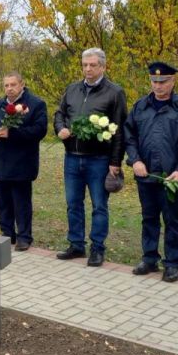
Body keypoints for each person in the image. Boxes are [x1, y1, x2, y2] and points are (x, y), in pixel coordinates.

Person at [124, 62, 178, 283]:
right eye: (154, 81)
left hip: (170, 177)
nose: (158, 86)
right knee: (149, 218)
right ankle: (149, 259)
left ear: (173, 81)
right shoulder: (140, 106)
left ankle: (172, 263)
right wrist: (135, 160)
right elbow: (129, 137)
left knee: (172, 220)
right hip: (145, 175)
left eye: (163, 81)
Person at [52, 47, 127, 267]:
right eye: (85, 65)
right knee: (73, 203)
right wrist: (60, 129)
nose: (88, 69)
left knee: (99, 206)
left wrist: (115, 161)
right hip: (72, 157)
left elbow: (120, 130)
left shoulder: (114, 92)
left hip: (99, 159)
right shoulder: (72, 89)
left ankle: (97, 248)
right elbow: (59, 114)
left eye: (93, 65)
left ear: (103, 66)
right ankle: (76, 244)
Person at [0, 71, 48, 251]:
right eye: (6, 85)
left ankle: (24, 237)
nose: (9, 89)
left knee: (21, 202)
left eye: (13, 85)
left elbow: (39, 131)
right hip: (1, 160)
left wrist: (13, 134)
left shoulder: (35, 104)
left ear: (22, 85)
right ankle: (7, 234)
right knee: (3, 201)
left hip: (22, 162)